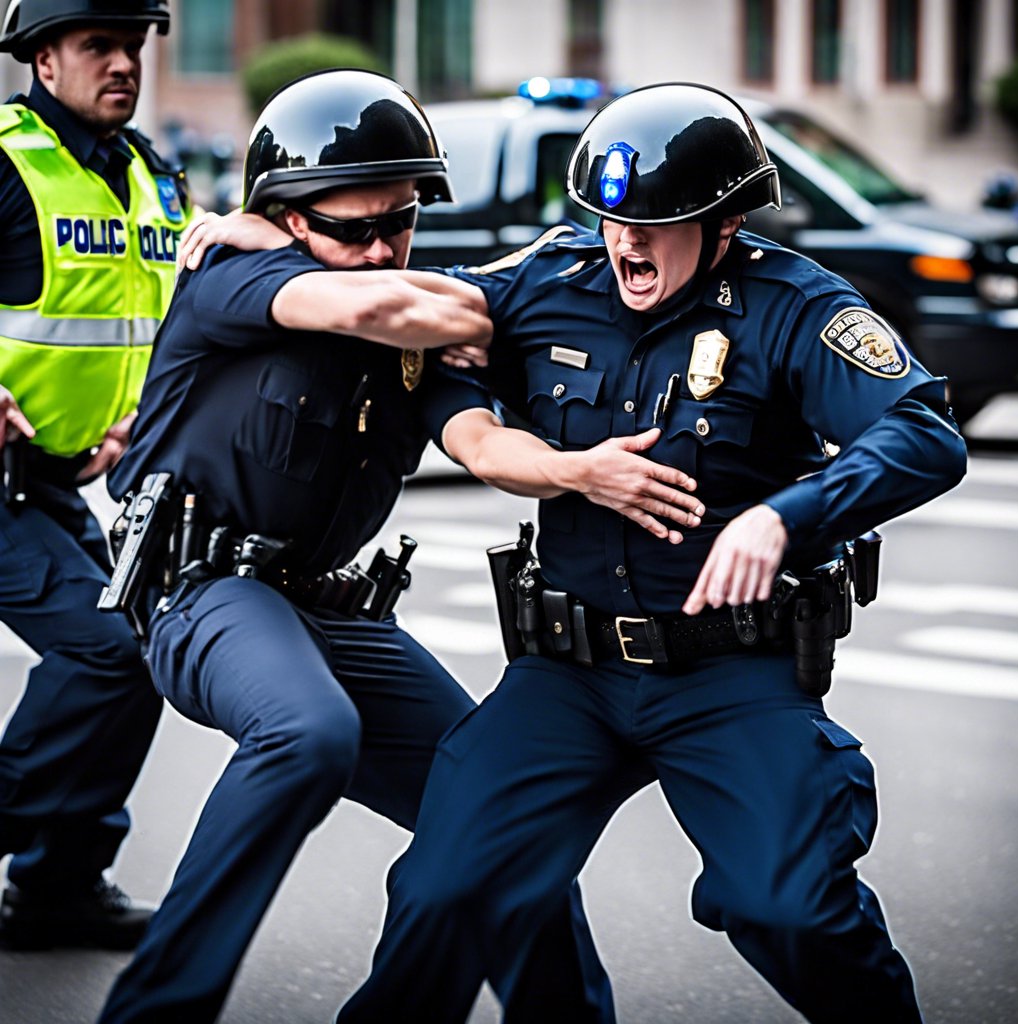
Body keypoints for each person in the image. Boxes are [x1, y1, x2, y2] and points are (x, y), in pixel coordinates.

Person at [325, 83, 969, 1022]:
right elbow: (418, 325)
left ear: (726, 219)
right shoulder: (553, 279)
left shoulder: (795, 307)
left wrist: (785, 517)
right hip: (565, 675)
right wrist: (506, 444)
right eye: (611, 215)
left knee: (788, 911)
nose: (626, 241)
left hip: (728, 673)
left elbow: (924, 433)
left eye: (657, 221)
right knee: (443, 893)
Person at [95, 68, 660, 1024]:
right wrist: (456, 307)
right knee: (308, 734)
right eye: (352, 230)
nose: (381, 250)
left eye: (398, 224)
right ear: (283, 218)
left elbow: (479, 439)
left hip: (324, 605)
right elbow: (381, 308)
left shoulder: (412, 335)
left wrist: (574, 469)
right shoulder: (233, 274)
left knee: (496, 805)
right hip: (200, 593)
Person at [0, 0, 190, 950]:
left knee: (139, 649)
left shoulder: (154, 179)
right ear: (43, 59)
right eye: (97, 47)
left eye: (134, 45)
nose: (123, 63)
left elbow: (176, 320)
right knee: (106, 652)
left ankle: (59, 885)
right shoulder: (6, 160)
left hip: (53, 479)